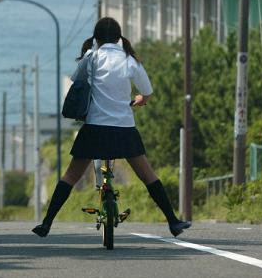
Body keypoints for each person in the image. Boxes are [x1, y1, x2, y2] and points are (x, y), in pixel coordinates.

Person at [33, 17, 191, 238]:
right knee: (148, 176)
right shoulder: (129, 60)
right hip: (124, 130)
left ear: (96, 38)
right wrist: (139, 100)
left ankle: (47, 223)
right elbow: (147, 92)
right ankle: (173, 222)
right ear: (119, 37)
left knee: (70, 176)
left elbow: (77, 85)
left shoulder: (91, 58)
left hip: (94, 129)